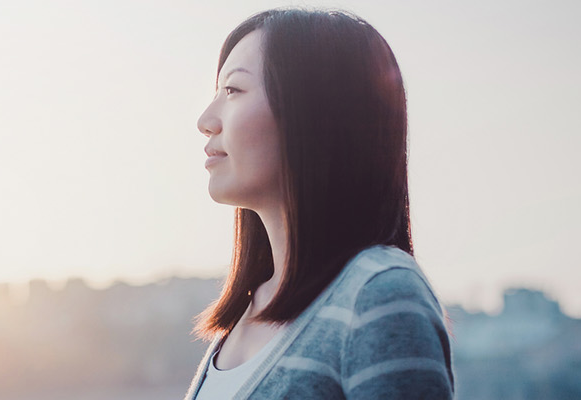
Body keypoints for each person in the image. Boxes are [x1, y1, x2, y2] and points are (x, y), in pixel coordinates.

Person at [183, 7, 455, 399]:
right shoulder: (246, 312)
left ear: (312, 113)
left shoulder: (378, 292)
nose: (206, 120)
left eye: (233, 91)